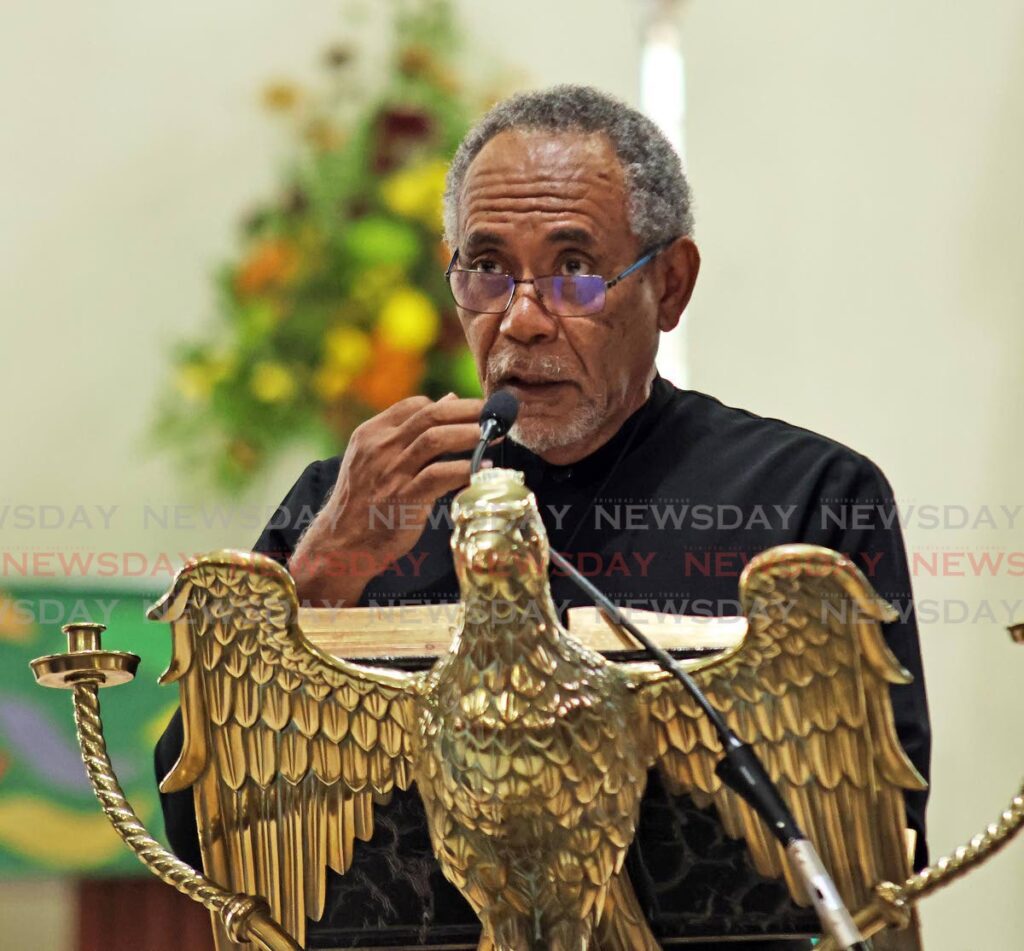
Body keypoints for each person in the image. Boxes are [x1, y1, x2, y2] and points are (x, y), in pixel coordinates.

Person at [156, 85, 930, 945]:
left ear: (670, 287)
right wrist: (323, 570)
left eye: (575, 269)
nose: (522, 319)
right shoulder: (357, 502)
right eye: (487, 268)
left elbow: (872, 847)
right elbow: (200, 836)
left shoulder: (807, 499)